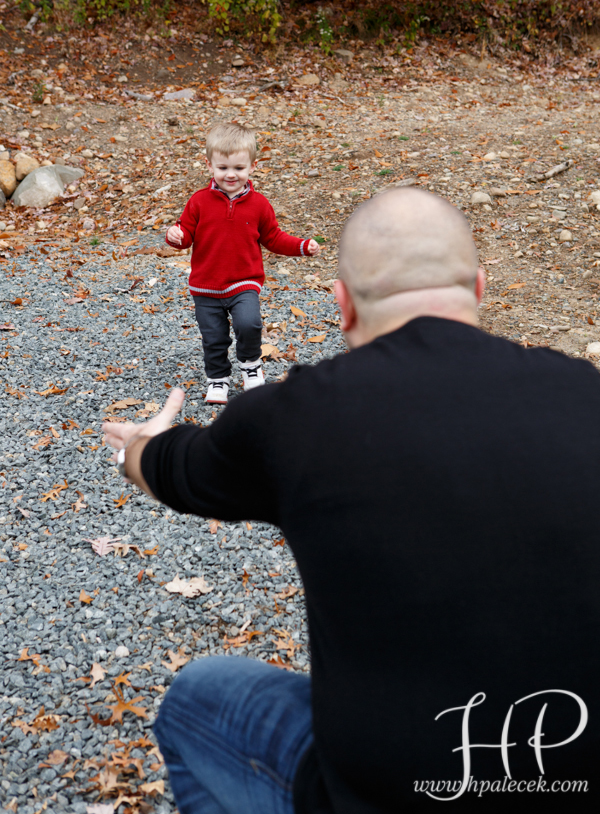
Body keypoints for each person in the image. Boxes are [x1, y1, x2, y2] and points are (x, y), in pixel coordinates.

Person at [103, 188, 600, 812]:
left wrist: (139, 450)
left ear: (342, 306)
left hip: (371, 793)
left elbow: (174, 469)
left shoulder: (298, 417)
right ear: (478, 287)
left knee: (196, 698)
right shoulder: (588, 396)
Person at [165, 122, 320, 404]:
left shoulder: (259, 204)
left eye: (238, 168)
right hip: (205, 286)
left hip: (244, 282)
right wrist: (175, 236)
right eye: (223, 168)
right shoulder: (199, 202)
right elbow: (185, 235)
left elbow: (273, 238)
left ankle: (250, 366)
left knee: (249, 324)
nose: (231, 175)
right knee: (214, 338)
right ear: (209, 165)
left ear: (252, 166)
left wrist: (301, 246)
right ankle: (218, 380)